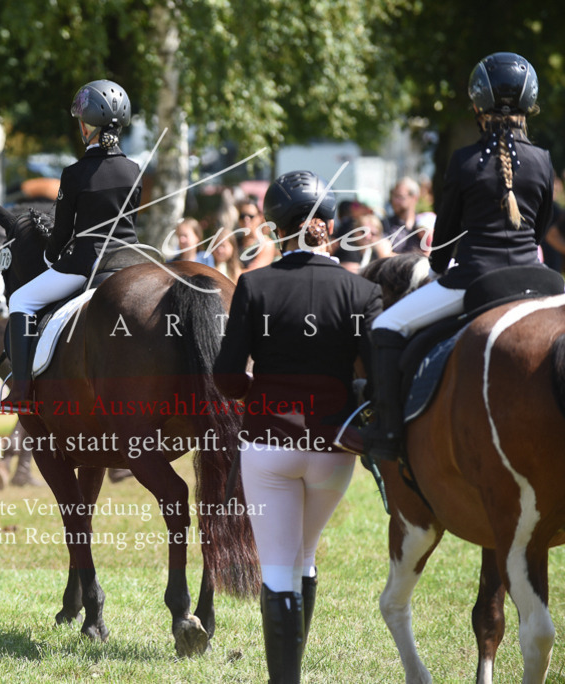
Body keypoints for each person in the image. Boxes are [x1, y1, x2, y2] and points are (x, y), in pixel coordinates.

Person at [217, 170, 382, 681]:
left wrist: (257, 390)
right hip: (334, 450)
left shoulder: (255, 285)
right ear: (328, 227)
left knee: (278, 570)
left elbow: (226, 378)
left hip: (269, 444)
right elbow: (378, 381)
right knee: (304, 557)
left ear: (275, 229)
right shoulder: (361, 291)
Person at [366, 52, 557, 461]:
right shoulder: (543, 161)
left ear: (477, 104)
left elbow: (446, 236)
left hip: (475, 279)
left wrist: (436, 270)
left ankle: (387, 434)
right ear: (530, 104)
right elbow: (539, 231)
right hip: (539, 278)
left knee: (386, 325)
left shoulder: (464, 160)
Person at [0, 79, 141, 414]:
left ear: (86, 127)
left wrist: (50, 256)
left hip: (87, 263)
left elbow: (62, 232)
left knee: (21, 300)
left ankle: (21, 391)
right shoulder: (134, 169)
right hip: (132, 259)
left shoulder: (76, 173)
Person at [382, 177, 427, 254]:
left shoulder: (424, 224)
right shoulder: (386, 225)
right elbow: (384, 255)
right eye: (393, 196)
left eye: (399, 197)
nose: (394, 201)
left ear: (414, 198)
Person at [235, 198, 278, 271]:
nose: (246, 219)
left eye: (251, 216)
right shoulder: (235, 242)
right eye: (242, 216)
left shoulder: (266, 244)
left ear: (260, 217)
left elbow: (254, 272)